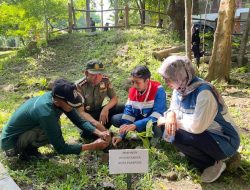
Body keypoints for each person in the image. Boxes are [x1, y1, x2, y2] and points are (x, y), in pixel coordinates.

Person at [157, 56, 240, 183]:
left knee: (174, 131)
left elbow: (197, 127)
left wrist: (173, 122)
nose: (166, 82)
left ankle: (213, 163)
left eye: (168, 78)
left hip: (224, 140)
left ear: (180, 76)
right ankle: (199, 154)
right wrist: (170, 115)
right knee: (168, 127)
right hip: (206, 135)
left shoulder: (204, 93)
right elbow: (173, 109)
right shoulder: (180, 89)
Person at [0, 79, 110, 161]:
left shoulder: (58, 98)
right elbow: (61, 148)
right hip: (11, 144)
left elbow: (79, 121)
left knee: (54, 126)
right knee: (53, 128)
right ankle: (27, 152)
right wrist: (92, 146)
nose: (74, 107)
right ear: (58, 102)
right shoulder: (46, 113)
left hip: (25, 131)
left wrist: (99, 133)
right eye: (71, 104)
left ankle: (30, 149)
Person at [112, 65, 167, 146]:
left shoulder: (158, 89)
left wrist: (136, 125)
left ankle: (155, 137)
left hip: (154, 120)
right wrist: (121, 134)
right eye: (133, 82)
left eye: (137, 82)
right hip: (140, 118)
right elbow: (129, 113)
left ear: (147, 81)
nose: (134, 85)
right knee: (116, 119)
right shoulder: (133, 90)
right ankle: (144, 132)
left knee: (157, 128)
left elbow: (157, 115)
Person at [76, 59, 124, 138]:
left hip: (99, 113)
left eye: (100, 74)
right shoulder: (79, 86)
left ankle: (127, 130)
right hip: (86, 118)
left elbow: (114, 98)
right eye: (93, 74)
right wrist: (97, 124)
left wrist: (105, 108)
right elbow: (81, 112)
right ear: (86, 73)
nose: (97, 78)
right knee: (87, 134)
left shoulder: (105, 80)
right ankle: (103, 131)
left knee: (121, 107)